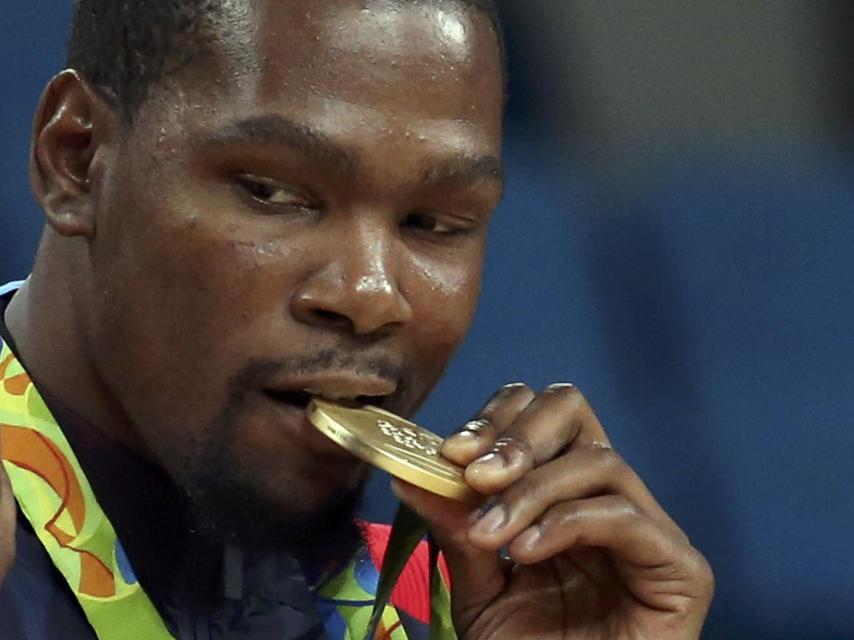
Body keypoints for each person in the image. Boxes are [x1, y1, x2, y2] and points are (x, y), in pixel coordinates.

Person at [0, 0, 714, 638]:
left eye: (431, 222)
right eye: (275, 193)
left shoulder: (474, 607)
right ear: (77, 158)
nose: (373, 296)